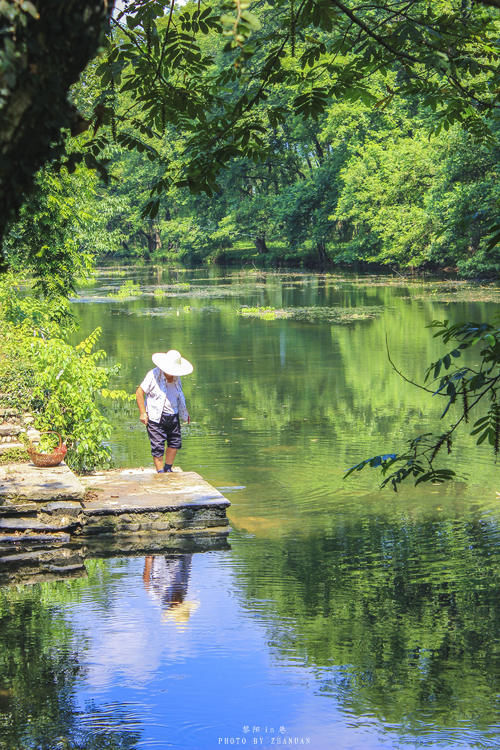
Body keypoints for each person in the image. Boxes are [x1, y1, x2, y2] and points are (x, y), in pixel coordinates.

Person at [136, 349, 193, 473]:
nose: (172, 373)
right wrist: (143, 412)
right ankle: (160, 473)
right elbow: (139, 392)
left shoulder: (177, 378)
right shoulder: (153, 375)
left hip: (173, 414)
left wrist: (185, 413)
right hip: (156, 416)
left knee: (175, 442)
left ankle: (168, 468)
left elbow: (179, 396)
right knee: (158, 446)